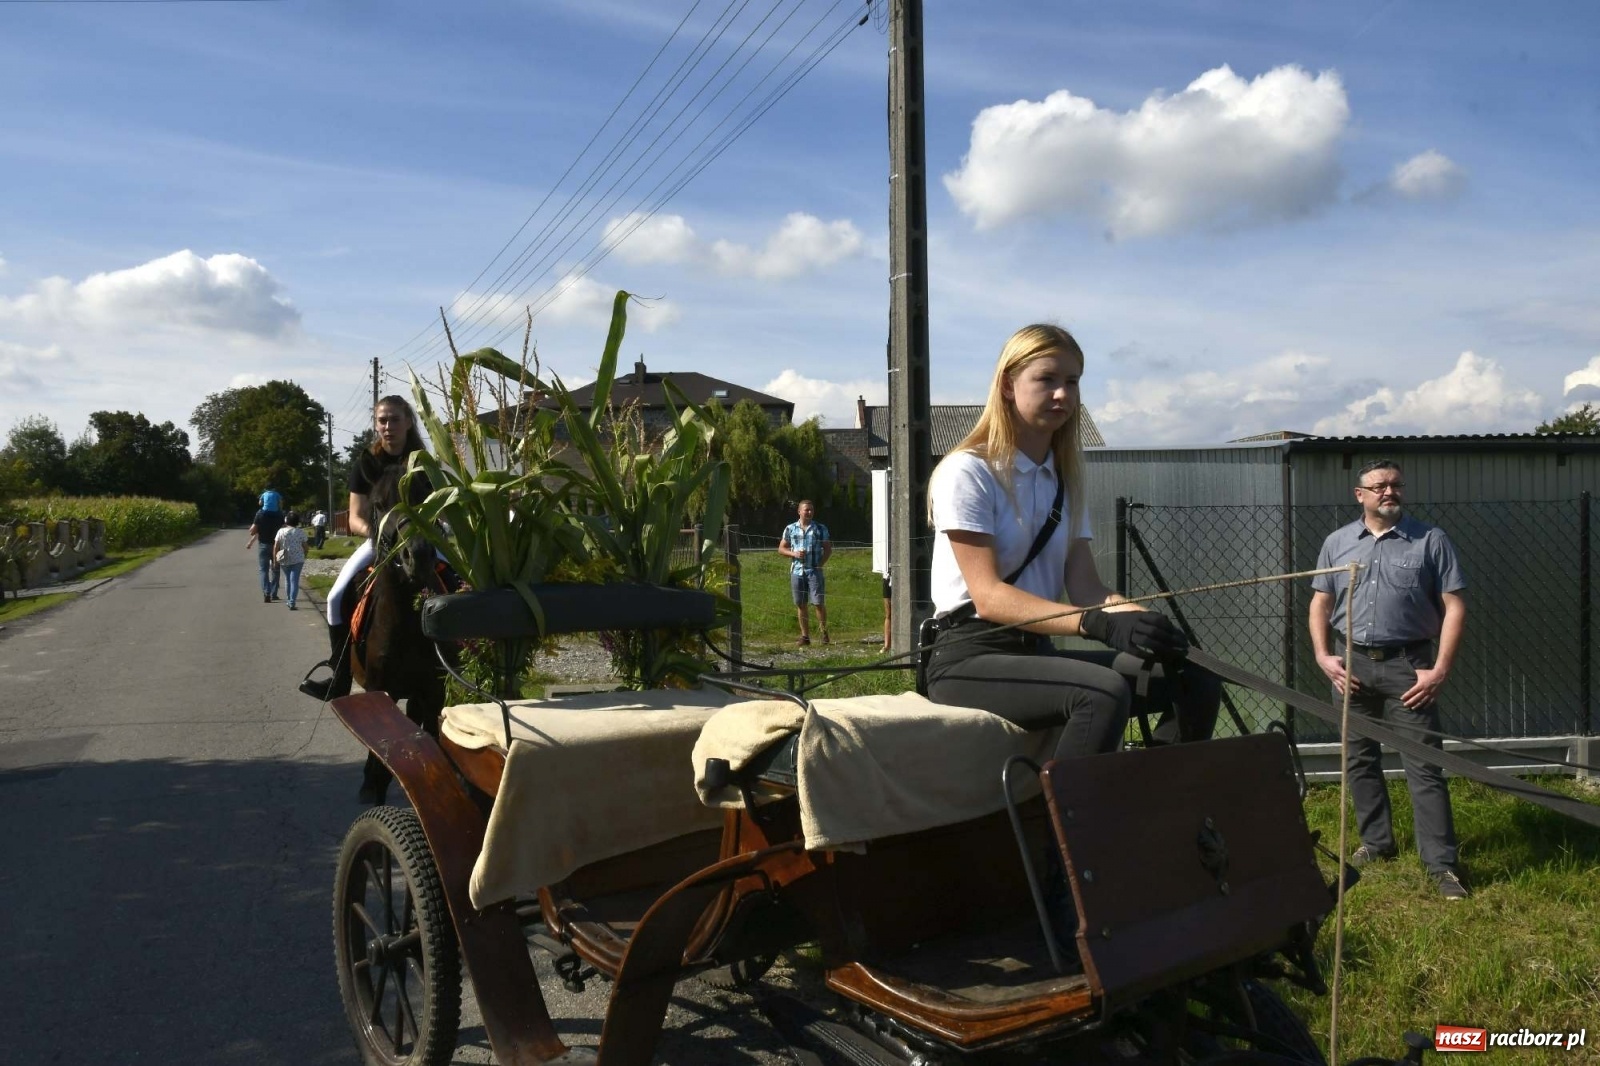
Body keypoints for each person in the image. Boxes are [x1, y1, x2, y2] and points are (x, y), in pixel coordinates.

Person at [924, 323, 1220, 762]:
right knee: (1100, 692)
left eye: (1072, 382)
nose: (1063, 394)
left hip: (1036, 653)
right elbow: (988, 597)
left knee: (1193, 676)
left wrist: (1144, 623)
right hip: (968, 659)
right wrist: (1098, 624)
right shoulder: (969, 471)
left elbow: (1088, 590)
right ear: (1008, 385)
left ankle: (1161, 803)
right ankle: (1072, 825)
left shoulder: (1063, 480)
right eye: (1046, 379)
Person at [1309, 460, 1469, 900]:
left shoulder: (1430, 541)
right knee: (1359, 760)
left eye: (1396, 484)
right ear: (1359, 494)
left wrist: (1439, 669)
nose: (1389, 492)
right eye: (1379, 486)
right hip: (1351, 666)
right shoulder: (1337, 543)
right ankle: (1376, 843)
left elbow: (1454, 606)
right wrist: (1324, 656)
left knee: (1424, 765)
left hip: (1409, 666)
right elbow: (1321, 603)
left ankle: (1441, 866)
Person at [300, 395, 430, 708]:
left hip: (419, 540)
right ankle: (340, 675)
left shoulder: (424, 462)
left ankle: (465, 663)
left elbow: (434, 506)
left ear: (408, 422)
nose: (388, 426)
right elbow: (355, 516)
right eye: (382, 420)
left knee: (460, 583)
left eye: (395, 419)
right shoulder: (365, 464)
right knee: (334, 597)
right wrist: (381, 533)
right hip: (379, 543)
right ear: (376, 424)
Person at [780, 500, 832, 646]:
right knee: (801, 604)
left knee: (818, 603)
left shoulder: (820, 529)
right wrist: (794, 554)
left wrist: (820, 565)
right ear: (799, 511)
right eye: (806, 510)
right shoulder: (790, 529)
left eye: (811, 510)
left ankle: (824, 633)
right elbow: (781, 549)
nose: (809, 512)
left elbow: (828, 549)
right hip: (797, 571)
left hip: (814, 571)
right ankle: (805, 636)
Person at [244, 504, 285, 603]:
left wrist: (251, 538)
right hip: (277, 545)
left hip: (263, 545)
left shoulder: (260, 514)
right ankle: (274, 593)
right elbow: (284, 529)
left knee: (263, 570)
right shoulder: (280, 514)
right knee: (276, 569)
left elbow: (253, 531)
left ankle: (267, 592)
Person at [274, 511, 309, 610]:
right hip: (298, 559)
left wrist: (275, 559)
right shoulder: (300, 532)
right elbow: (305, 547)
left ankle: (289, 599)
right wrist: (305, 554)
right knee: (294, 580)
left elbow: (276, 546)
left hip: (284, 557)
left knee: (287, 579)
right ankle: (292, 602)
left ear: (286, 520)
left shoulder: (280, 531)